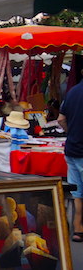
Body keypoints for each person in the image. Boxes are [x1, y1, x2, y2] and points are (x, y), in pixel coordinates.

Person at [59, 82, 83, 242]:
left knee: (77, 192)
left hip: (72, 147)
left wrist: (71, 132)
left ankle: (78, 228)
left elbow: (61, 119)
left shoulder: (72, 91)